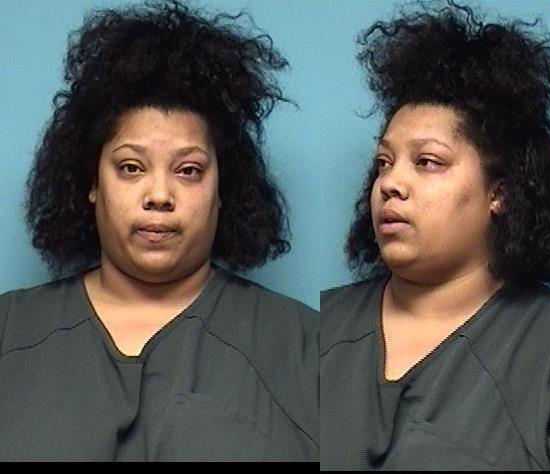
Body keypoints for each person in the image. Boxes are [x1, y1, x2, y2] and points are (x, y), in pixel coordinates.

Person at [320, 1, 550, 470]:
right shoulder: (313, 329)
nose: (390, 183)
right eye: (384, 162)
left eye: (428, 162)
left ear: (500, 193)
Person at [0, 1, 317, 462]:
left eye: (188, 171)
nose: (160, 194)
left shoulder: (306, 348)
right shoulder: (9, 331)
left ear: (223, 189)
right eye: (131, 167)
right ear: (92, 183)